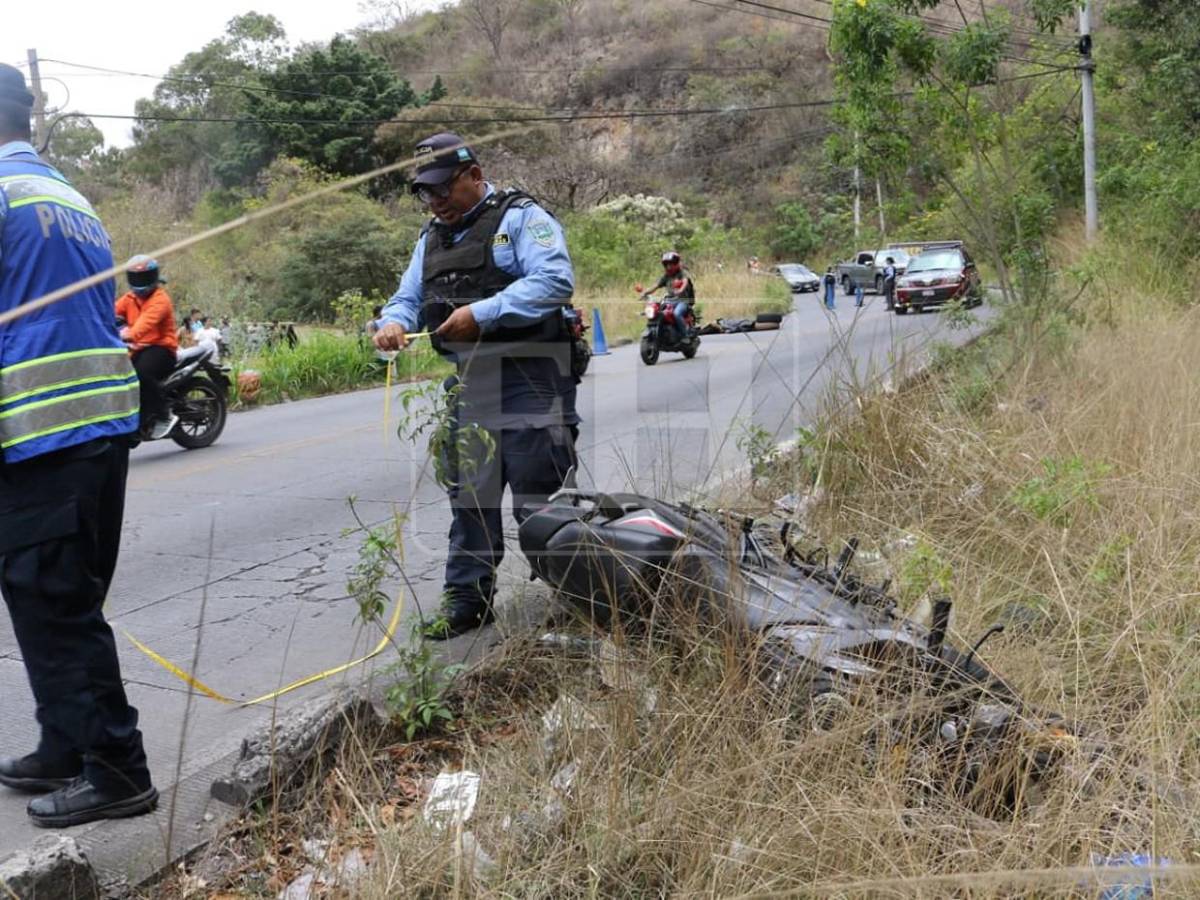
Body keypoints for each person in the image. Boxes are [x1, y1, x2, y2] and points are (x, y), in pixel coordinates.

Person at [0, 63, 157, 828]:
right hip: (95, 426)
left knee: (54, 602)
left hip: (42, 433)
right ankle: (65, 743)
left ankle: (117, 769)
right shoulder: (65, 195)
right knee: (55, 597)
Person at [374, 132, 578, 639]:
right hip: (471, 379)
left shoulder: (521, 218)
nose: (436, 201)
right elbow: (406, 297)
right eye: (426, 192)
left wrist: (479, 312)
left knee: (537, 493)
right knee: (470, 495)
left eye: (444, 188)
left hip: (533, 373)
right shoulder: (430, 239)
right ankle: (467, 602)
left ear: (474, 175)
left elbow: (554, 281)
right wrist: (392, 323)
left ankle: (579, 594)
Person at [115, 255, 179, 440]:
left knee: (140, 374)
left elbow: (144, 324)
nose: (140, 282)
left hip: (162, 348)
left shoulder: (160, 299)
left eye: (144, 277)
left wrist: (127, 335)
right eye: (136, 277)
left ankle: (163, 415)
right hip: (138, 349)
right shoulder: (130, 298)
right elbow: (109, 311)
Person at [644, 251, 695, 341]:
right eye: (667, 265)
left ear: (676, 263)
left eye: (671, 264)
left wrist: (680, 290)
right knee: (658, 313)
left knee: (676, 314)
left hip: (683, 301)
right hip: (670, 301)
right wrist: (645, 292)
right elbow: (656, 286)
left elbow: (685, 281)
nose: (669, 267)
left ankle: (685, 335)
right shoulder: (666, 276)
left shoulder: (682, 273)